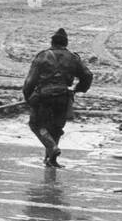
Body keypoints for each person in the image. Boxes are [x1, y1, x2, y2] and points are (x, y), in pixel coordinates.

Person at [22, 28, 93, 168]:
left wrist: (28, 98)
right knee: (56, 128)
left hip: (44, 96)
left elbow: (30, 82)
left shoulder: (42, 56)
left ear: (52, 42)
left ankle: (52, 148)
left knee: (36, 125)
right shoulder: (73, 58)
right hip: (63, 97)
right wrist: (78, 89)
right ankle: (51, 160)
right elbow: (87, 76)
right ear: (66, 43)